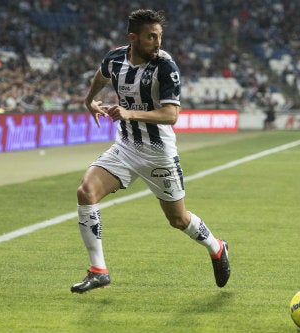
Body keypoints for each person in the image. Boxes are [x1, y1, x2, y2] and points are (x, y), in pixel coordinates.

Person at [71, 9, 230, 293]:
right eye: (151, 37)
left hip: (159, 155)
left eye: (159, 36)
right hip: (126, 149)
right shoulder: (115, 58)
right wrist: (89, 100)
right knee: (86, 192)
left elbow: (171, 115)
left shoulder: (166, 66)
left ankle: (216, 247)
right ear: (133, 38)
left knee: (178, 219)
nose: (158, 43)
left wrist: (130, 114)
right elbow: (101, 75)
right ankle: (98, 270)